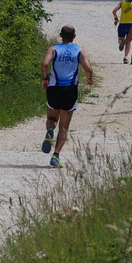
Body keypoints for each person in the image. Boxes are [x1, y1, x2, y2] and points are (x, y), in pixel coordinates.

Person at [40, 24, 93, 168]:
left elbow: (45, 64)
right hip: (70, 90)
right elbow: (88, 68)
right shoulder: (78, 50)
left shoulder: (53, 49)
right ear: (74, 37)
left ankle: (50, 130)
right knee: (64, 126)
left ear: (60, 35)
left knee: (51, 118)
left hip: (54, 88)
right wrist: (89, 78)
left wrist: (45, 79)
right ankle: (55, 156)